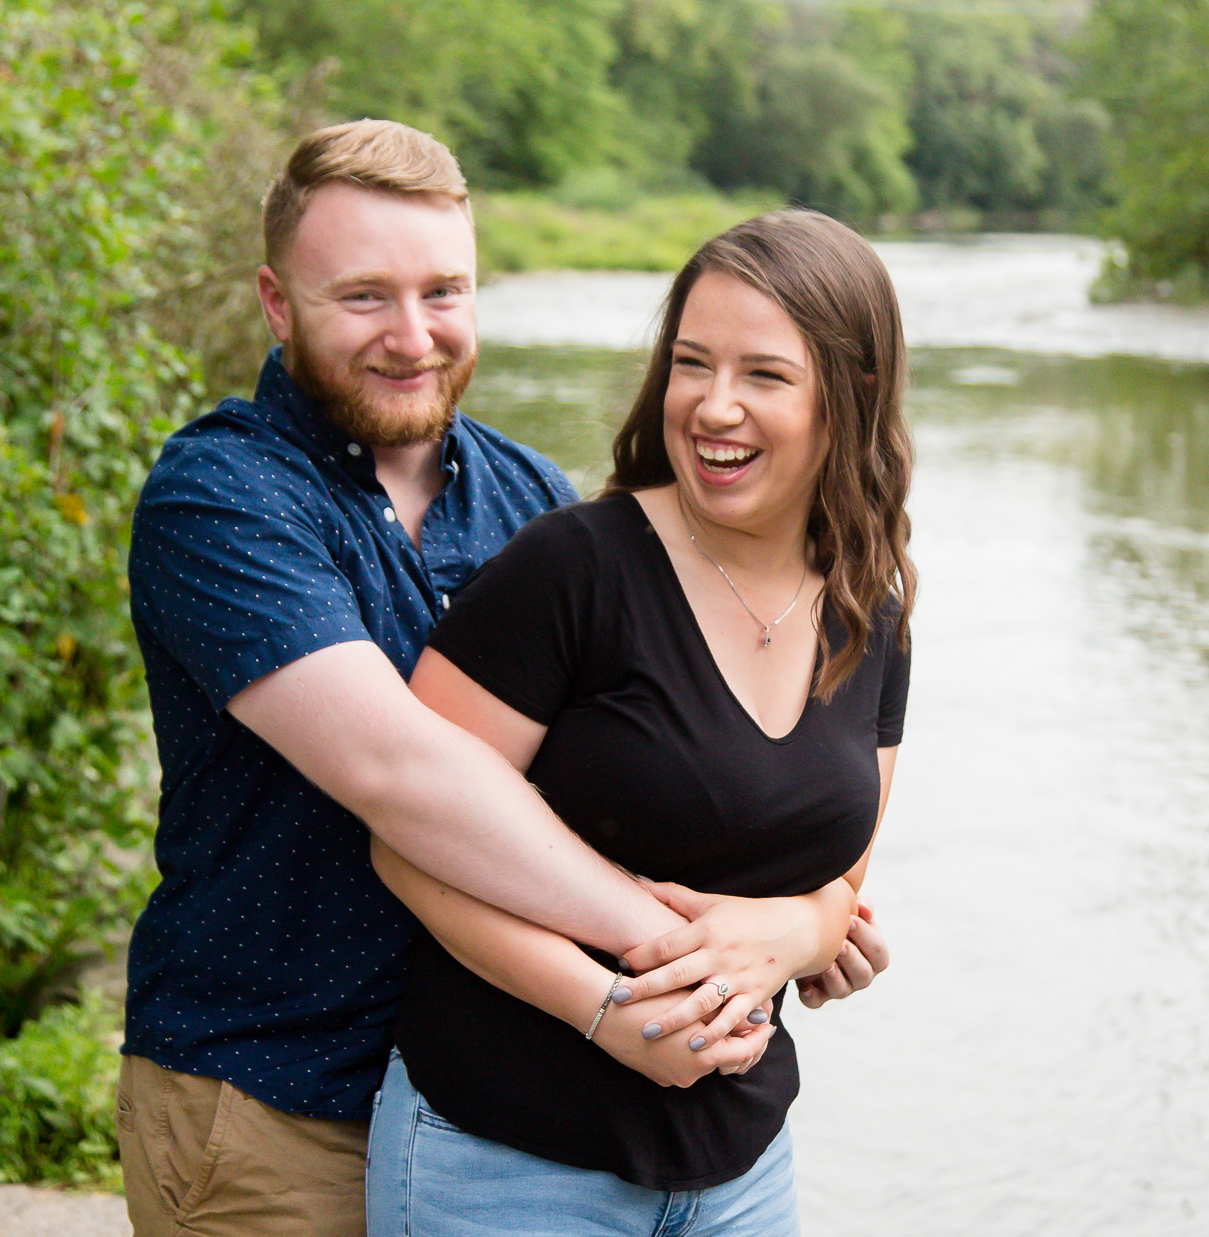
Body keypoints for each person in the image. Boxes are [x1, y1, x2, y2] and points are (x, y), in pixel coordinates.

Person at [117, 122, 888, 1237]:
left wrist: (798, 917)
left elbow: (617, 759)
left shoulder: (526, 492)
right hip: (275, 1096)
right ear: (278, 306)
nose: (411, 335)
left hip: (503, 1074)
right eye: (363, 298)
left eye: (444, 292)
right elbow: (404, 774)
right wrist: (687, 957)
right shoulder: (223, 497)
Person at [365, 209, 914, 1236]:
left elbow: (840, 883)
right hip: (505, 1163)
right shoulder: (571, 570)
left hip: (741, 1170)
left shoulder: (867, 608)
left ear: (856, 393)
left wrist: (803, 928)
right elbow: (405, 843)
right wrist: (604, 1012)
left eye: (763, 375)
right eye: (691, 364)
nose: (712, 408)